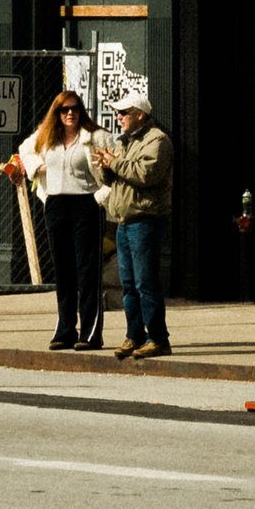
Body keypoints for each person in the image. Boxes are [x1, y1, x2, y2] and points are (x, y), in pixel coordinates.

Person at [7, 87, 103, 350]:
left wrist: (101, 196)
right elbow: (24, 149)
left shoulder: (93, 136)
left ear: (80, 111)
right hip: (57, 203)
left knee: (86, 270)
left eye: (74, 108)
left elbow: (110, 165)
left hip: (86, 202)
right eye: (64, 109)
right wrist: (36, 168)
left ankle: (90, 333)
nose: (70, 113)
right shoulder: (47, 136)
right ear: (57, 113)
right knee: (63, 269)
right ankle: (65, 329)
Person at [92, 81, 173, 361]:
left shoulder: (157, 140)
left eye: (124, 112)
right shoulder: (124, 142)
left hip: (144, 220)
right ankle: (134, 334)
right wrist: (105, 166)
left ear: (140, 113)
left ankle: (158, 338)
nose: (119, 117)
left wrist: (113, 162)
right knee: (128, 283)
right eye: (118, 113)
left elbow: (146, 174)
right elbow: (115, 178)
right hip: (123, 221)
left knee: (145, 282)